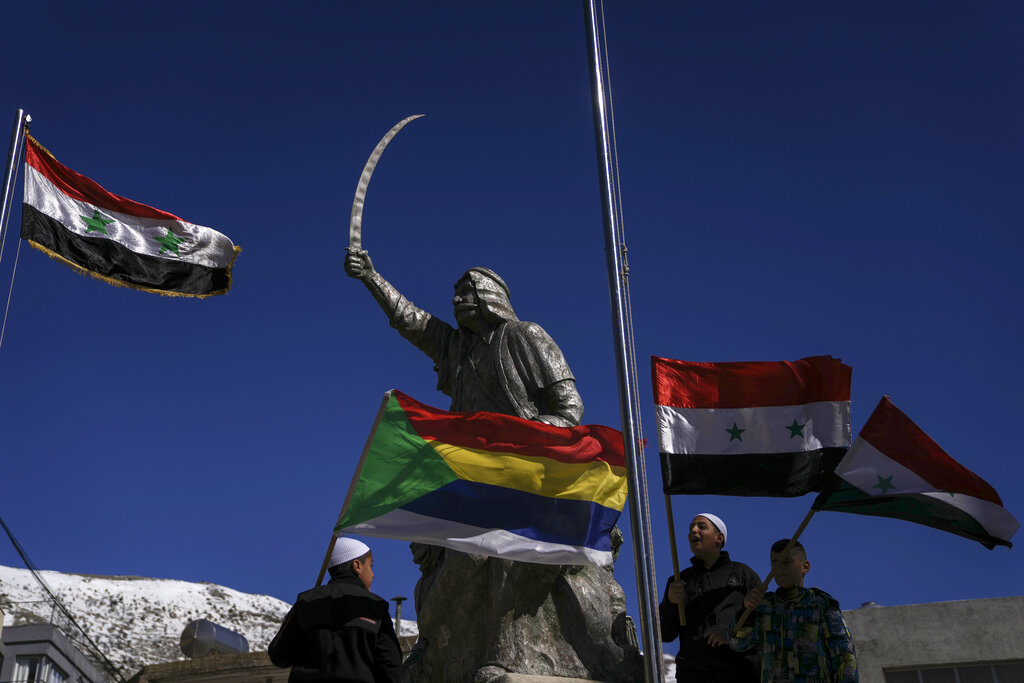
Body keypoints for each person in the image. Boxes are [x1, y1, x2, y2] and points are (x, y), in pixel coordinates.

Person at [344, 248, 641, 682]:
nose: (457, 298)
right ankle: (436, 653)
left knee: (505, 548)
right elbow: (410, 320)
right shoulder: (458, 351)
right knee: (435, 551)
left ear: (490, 295)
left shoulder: (525, 336)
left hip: (531, 476)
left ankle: (507, 653)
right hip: (478, 478)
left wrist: (528, 441)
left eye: (466, 289)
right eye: (455, 292)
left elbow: (570, 406)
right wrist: (371, 276)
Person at [268, 537, 401, 683]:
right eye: (371, 566)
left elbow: (279, 655)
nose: (373, 574)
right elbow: (391, 667)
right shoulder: (375, 606)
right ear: (357, 566)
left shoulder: (306, 602)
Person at [729, 539, 858, 683]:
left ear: (805, 567)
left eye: (786, 562)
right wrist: (748, 610)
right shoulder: (764, 607)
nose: (779, 568)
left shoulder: (821, 605)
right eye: (774, 562)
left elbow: (844, 655)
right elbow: (738, 643)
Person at [660, 513, 760, 683]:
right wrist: (670, 602)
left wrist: (732, 636)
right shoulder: (679, 580)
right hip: (692, 674)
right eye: (691, 527)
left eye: (701, 526)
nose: (693, 530)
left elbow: (764, 625)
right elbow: (664, 633)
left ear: (719, 538)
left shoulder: (744, 575)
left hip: (739, 672)